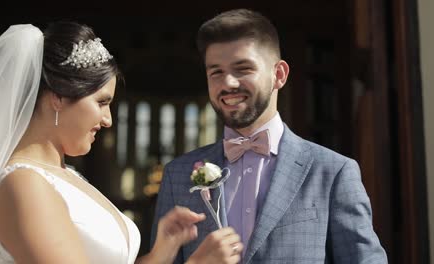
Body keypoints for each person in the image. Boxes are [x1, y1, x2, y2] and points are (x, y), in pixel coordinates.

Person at [0, 22, 242, 264]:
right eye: (101, 102)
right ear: (58, 97)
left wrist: (159, 253)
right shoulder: (24, 186)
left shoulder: (64, 175)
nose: (108, 120)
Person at [151, 9, 388, 264]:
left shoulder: (333, 172)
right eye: (216, 72)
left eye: (242, 69)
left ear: (279, 75)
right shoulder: (177, 175)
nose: (228, 83)